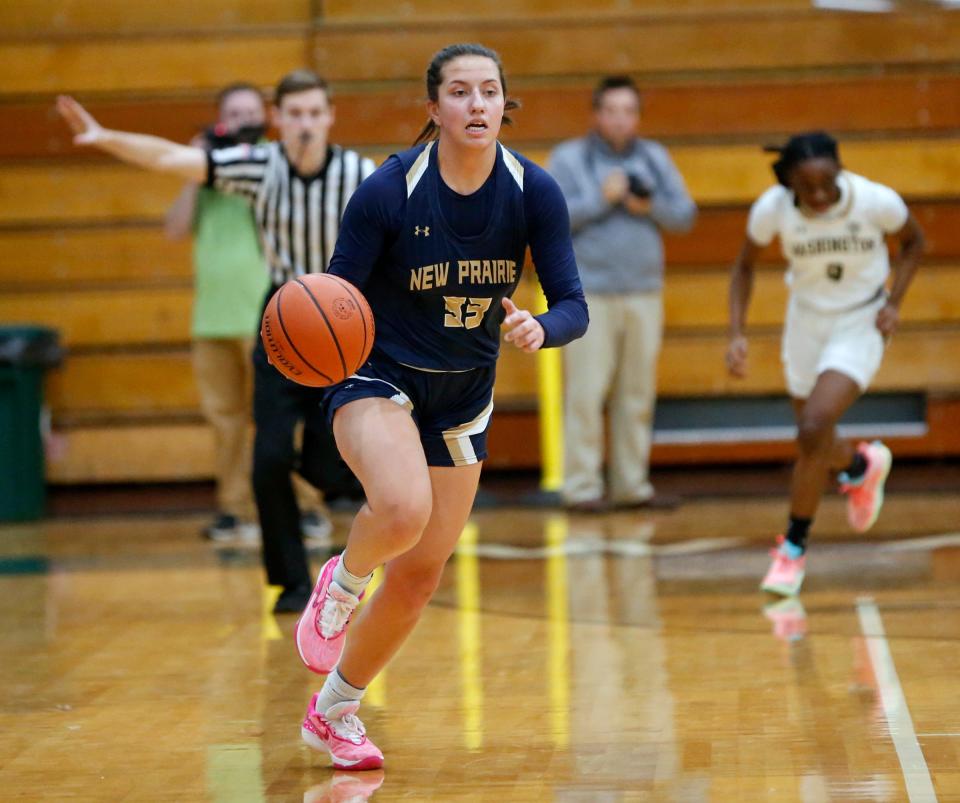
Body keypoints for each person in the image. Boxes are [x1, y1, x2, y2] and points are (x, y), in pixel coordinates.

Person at [293, 43, 588, 770]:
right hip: (377, 375)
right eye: (460, 92)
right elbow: (338, 299)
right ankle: (342, 581)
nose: (478, 105)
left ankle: (334, 710)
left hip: (464, 393)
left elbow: (575, 304)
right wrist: (306, 335)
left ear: (503, 104)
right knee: (401, 507)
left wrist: (539, 327)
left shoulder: (532, 192)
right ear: (434, 109)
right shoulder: (388, 192)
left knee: (422, 574)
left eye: (490, 91)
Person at [56, 69, 375, 612]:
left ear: (330, 117)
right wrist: (105, 137)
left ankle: (330, 490)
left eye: (314, 113)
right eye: (293, 114)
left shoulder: (358, 173)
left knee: (329, 468)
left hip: (342, 322)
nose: (304, 124)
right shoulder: (259, 166)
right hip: (282, 318)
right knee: (268, 458)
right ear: (277, 120)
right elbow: (170, 160)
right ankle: (293, 584)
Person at [726, 131, 924, 597]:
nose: (816, 195)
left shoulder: (876, 201)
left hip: (860, 320)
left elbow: (915, 243)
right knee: (815, 438)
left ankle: (793, 549)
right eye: (805, 187)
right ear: (789, 183)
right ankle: (859, 465)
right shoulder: (772, 208)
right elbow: (744, 266)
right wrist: (737, 332)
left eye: (826, 184)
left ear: (841, 171)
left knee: (813, 427)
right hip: (805, 322)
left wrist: (895, 302)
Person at [548, 76, 696, 513]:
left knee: (637, 394)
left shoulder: (654, 157)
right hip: (587, 295)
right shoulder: (569, 158)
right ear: (596, 114)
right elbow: (551, 217)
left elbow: (685, 216)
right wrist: (601, 197)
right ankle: (581, 487)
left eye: (628, 111)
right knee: (586, 393)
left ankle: (632, 486)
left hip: (644, 292)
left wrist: (647, 207)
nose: (619, 119)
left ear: (637, 117)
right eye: (611, 110)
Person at [164, 82, 268, 543]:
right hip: (213, 318)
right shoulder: (206, 172)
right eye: (233, 114)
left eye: (251, 113)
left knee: (282, 419)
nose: (242, 122)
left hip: (272, 315)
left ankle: (306, 508)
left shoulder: (274, 164)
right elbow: (175, 230)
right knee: (225, 422)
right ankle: (234, 510)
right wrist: (193, 167)